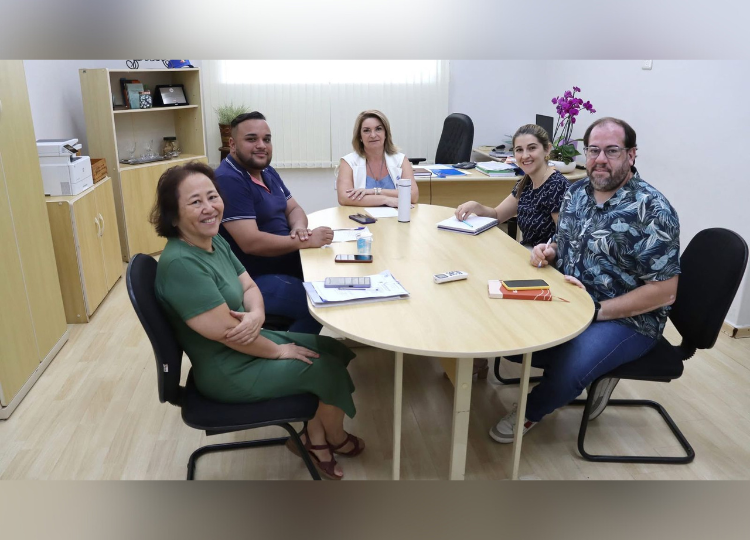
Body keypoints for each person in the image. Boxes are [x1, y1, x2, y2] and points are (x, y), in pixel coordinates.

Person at [151, 162, 364, 480]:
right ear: (173, 214)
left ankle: (312, 437)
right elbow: (230, 335)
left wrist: (257, 314)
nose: (209, 208)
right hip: (227, 368)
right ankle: (329, 440)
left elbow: (249, 285)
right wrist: (280, 351)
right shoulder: (182, 264)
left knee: (332, 350)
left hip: (246, 344)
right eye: (195, 202)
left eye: (212, 197)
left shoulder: (212, 239)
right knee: (325, 367)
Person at [489, 117, 681, 443]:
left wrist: (597, 311)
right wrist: (549, 252)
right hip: (572, 299)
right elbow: (563, 242)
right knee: (512, 340)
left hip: (628, 319)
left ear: (632, 155)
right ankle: (597, 367)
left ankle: (530, 412)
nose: (600, 160)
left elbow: (665, 293)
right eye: (594, 150)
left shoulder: (652, 210)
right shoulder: (576, 193)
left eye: (612, 151)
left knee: (569, 366)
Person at [215, 111, 331, 335]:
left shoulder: (266, 171)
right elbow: (251, 243)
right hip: (253, 280)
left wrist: (298, 229)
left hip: (286, 264)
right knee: (317, 303)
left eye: (266, 139)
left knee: (334, 276)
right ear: (232, 144)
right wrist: (303, 242)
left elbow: (294, 209)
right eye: (251, 139)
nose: (261, 145)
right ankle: (287, 357)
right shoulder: (228, 180)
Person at [455, 124, 569, 248]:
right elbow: (497, 215)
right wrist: (476, 207)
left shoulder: (557, 185)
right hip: (528, 254)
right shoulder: (526, 183)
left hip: (547, 261)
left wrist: (547, 252)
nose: (525, 156)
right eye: (519, 150)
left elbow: (566, 239)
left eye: (532, 148)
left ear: (547, 149)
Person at [336, 109, 419, 207]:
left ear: (386, 134)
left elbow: (413, 196)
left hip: (395, 218)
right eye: (366, 130)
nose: (373, 135)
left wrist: (374, 191)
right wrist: (386, 199)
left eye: (378, 129)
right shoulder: (349, 162)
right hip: (362, 219)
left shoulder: (400, 160)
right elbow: (344, 198)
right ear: (360, 137)